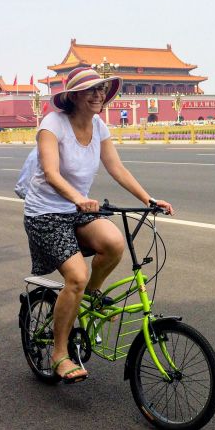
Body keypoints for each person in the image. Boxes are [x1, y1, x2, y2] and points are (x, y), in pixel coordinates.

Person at [22, 67, 173, 383]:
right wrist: (78, 198)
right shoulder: (52, 125)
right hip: (45, 214)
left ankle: (89, 293)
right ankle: (59, 353)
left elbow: (116, 167)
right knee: (75, 276)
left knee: (115, 242)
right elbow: (51, 172)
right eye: (91, 90)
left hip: (76, 209)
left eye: (102, 90)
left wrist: (149, 200)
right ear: (73, 96)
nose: (98, 95)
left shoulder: (100, 126)